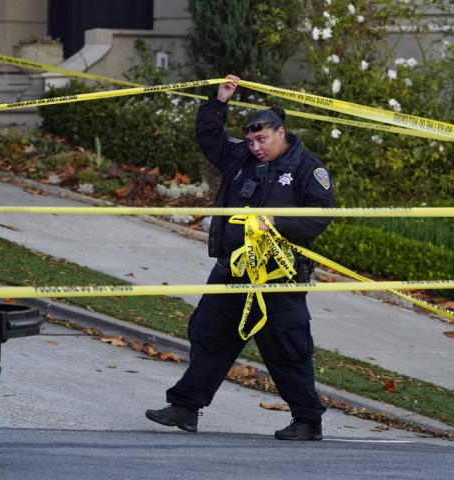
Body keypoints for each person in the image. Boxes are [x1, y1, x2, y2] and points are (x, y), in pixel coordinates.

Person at [145, 74, 335, 441]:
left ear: (281, 132)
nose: (256, 147)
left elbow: (320, 215)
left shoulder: (308, 169)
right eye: (250, 140)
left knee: (286, 348)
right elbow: (209, 138)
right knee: (210, 335)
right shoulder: (240, 159)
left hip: (278, 276)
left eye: (262, 139)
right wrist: (219, 102)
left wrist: (275, 223)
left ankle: (308, 421)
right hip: (233, 270)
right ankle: (186, 407)